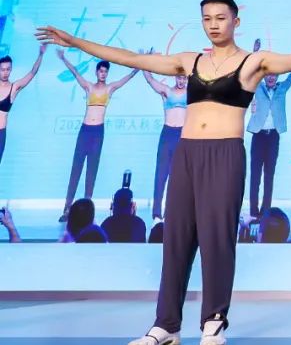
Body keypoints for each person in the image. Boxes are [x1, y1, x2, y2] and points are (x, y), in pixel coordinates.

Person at [37, 0, 291, 345]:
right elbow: (132, 58)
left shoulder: (253, 62)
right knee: (176, 237)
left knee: (217, 238)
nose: (213, 25)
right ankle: (165, 325)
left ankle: (214, 321)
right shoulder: (190, 61)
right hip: (187, 153)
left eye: (220, 18)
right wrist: (75, 42)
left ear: (236, 22)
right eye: (207, 19)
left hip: (225, 154)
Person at [57, 50, 138, 221]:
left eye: (105, 72)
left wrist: (137, 68)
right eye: (101, 71)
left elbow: (127, 78)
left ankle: (87, 210)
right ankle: (66, 209)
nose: (103, 74)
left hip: (98, 132)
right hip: (85, 131)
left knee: (91, 170)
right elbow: (75, 72)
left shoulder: (110, 88)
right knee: (76, 169)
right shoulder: (89, 87)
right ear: (96, 72)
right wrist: (64, 58)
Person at [246, 39, 291, 219]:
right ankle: (253, 212)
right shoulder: (258, 87)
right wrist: (254, 52)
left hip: (273, 137)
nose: (271, 78)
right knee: (255, 175)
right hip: (258, 136)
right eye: (268, 75)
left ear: (277, 76)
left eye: (274, 75)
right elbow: (250, 71)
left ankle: (265, 211)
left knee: (269, 175)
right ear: (264, 76)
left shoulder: (282, 89)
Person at [143, 67, 188, 221]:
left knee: (178, 177)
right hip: (167, 134)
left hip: (181, 135)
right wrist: (145, 63)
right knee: (161, 175)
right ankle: (156, 213)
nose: (181, 81)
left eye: (184, 78)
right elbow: (150, 80)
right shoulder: (167, 91)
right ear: (175, 77)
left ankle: (172, 213)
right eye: (179, 78)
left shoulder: (191, 93)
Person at [0, 43, 46, 169]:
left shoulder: (14, 88)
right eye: (2, 69)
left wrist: (40, 54)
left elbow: (32, 72)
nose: (5, 72)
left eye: (8, 69)